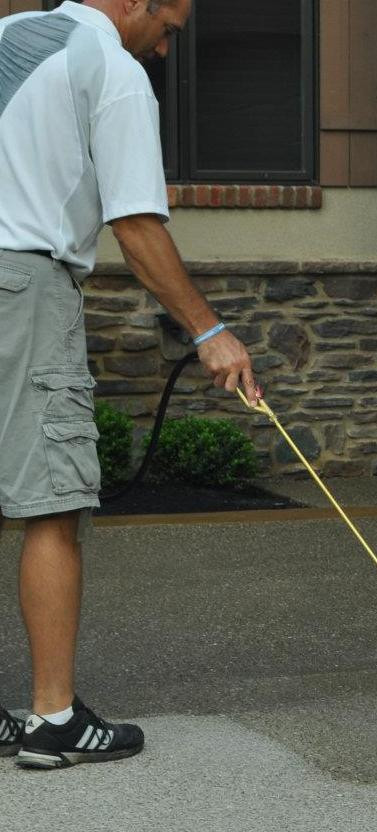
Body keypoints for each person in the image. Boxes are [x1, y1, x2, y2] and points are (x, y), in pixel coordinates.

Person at [0, 0, 260, 768]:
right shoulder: (109, 66)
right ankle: (53, 720)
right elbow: (137, 223)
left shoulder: (8, 35)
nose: (167, 49)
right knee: (53, 498)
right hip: (21, 286)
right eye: (170, 28)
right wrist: (210, 333)